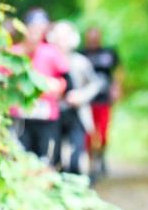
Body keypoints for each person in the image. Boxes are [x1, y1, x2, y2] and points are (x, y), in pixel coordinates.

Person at [11, 8, 69, 165]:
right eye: (33, 28)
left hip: (46, 115)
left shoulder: (52, 52)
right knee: (21, 158)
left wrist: (57, 87)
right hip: (21, 116)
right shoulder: (14, 53)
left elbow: (65, 81)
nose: (36, 32)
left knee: (45, 160)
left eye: (41, 28)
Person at [47, 21, 105, 176]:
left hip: (77, 114)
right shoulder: (47, 60)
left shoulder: (80, 62)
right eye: (59, 37)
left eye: (65, 37)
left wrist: (81, 96)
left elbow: (95, 83)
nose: (62, 41)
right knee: (54, 156)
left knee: (76, 156)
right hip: (53, 115)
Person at [81, 27, 122, 179]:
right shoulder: (81, 54)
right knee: (88, 133)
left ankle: (102, 157)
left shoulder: (108, 53)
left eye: (95, 37)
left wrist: (117, 88)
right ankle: (91, 162)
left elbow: (118, 71)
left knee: (103, 131)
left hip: (104, 99)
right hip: (86, 101)